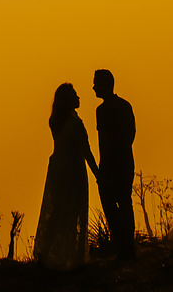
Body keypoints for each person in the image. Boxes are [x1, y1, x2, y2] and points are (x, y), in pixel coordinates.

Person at [34, 83, 99, 271]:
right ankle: (70, 257)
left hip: (57, 169)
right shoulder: (75, 123)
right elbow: (86, 151)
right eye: (75, 95)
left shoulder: (55, 121)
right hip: (73, 171)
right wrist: (97, 173)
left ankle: (48, 253)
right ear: (70, 100)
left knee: (57, 212)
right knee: (72, 212)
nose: (79, 97)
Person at [94, 69, 136, 258]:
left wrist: (106, 165)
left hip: (115, 164)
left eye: (96, 83)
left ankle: (124, 246)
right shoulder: (123, 106)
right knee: (123, 203)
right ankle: (125, 246)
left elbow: (106, 141)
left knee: (116, 205)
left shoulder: (104, 111)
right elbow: (131, 133)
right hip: (123, 161)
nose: (93, 87)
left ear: (105, 85)